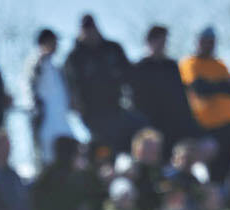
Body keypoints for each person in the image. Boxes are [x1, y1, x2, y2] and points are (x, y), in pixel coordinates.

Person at [64, 16, 133, 155]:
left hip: (116, 107)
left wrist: (129, 99)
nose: (89, 33)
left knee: (122, 143)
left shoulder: (113, 49)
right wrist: (77, 104)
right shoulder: (74, 57)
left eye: (91, 28)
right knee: (100, 148)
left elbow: (129, 74)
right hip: (91, 113)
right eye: (86, 29)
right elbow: (71, 84)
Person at [178, 27, 230, 181]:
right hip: (205, 128)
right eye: (205, 41)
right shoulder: (189, 63)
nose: (208, 45)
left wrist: (217, 85)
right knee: (208, 173)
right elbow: (200, 88)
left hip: (227, 127)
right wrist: (221, 85)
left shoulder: (220, 64)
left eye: (211, 42)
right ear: (198, 42)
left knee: (229, 172)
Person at [128, 26, 194, 151]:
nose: (161, 45)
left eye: (164, 41)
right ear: (149, 42)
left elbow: (181, 97)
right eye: (158, 41)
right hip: (149, 126)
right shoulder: (139, 68)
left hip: (173, 125)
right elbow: (134, 101)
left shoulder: (172, 66)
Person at [24, 31, 72, 170]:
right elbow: (31, 85)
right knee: (48, 158)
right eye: (53, 42)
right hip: (45, 121)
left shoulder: (56, 67)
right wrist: (40, 58)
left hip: (61, 121)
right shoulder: (35, 62)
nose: (56, 45)